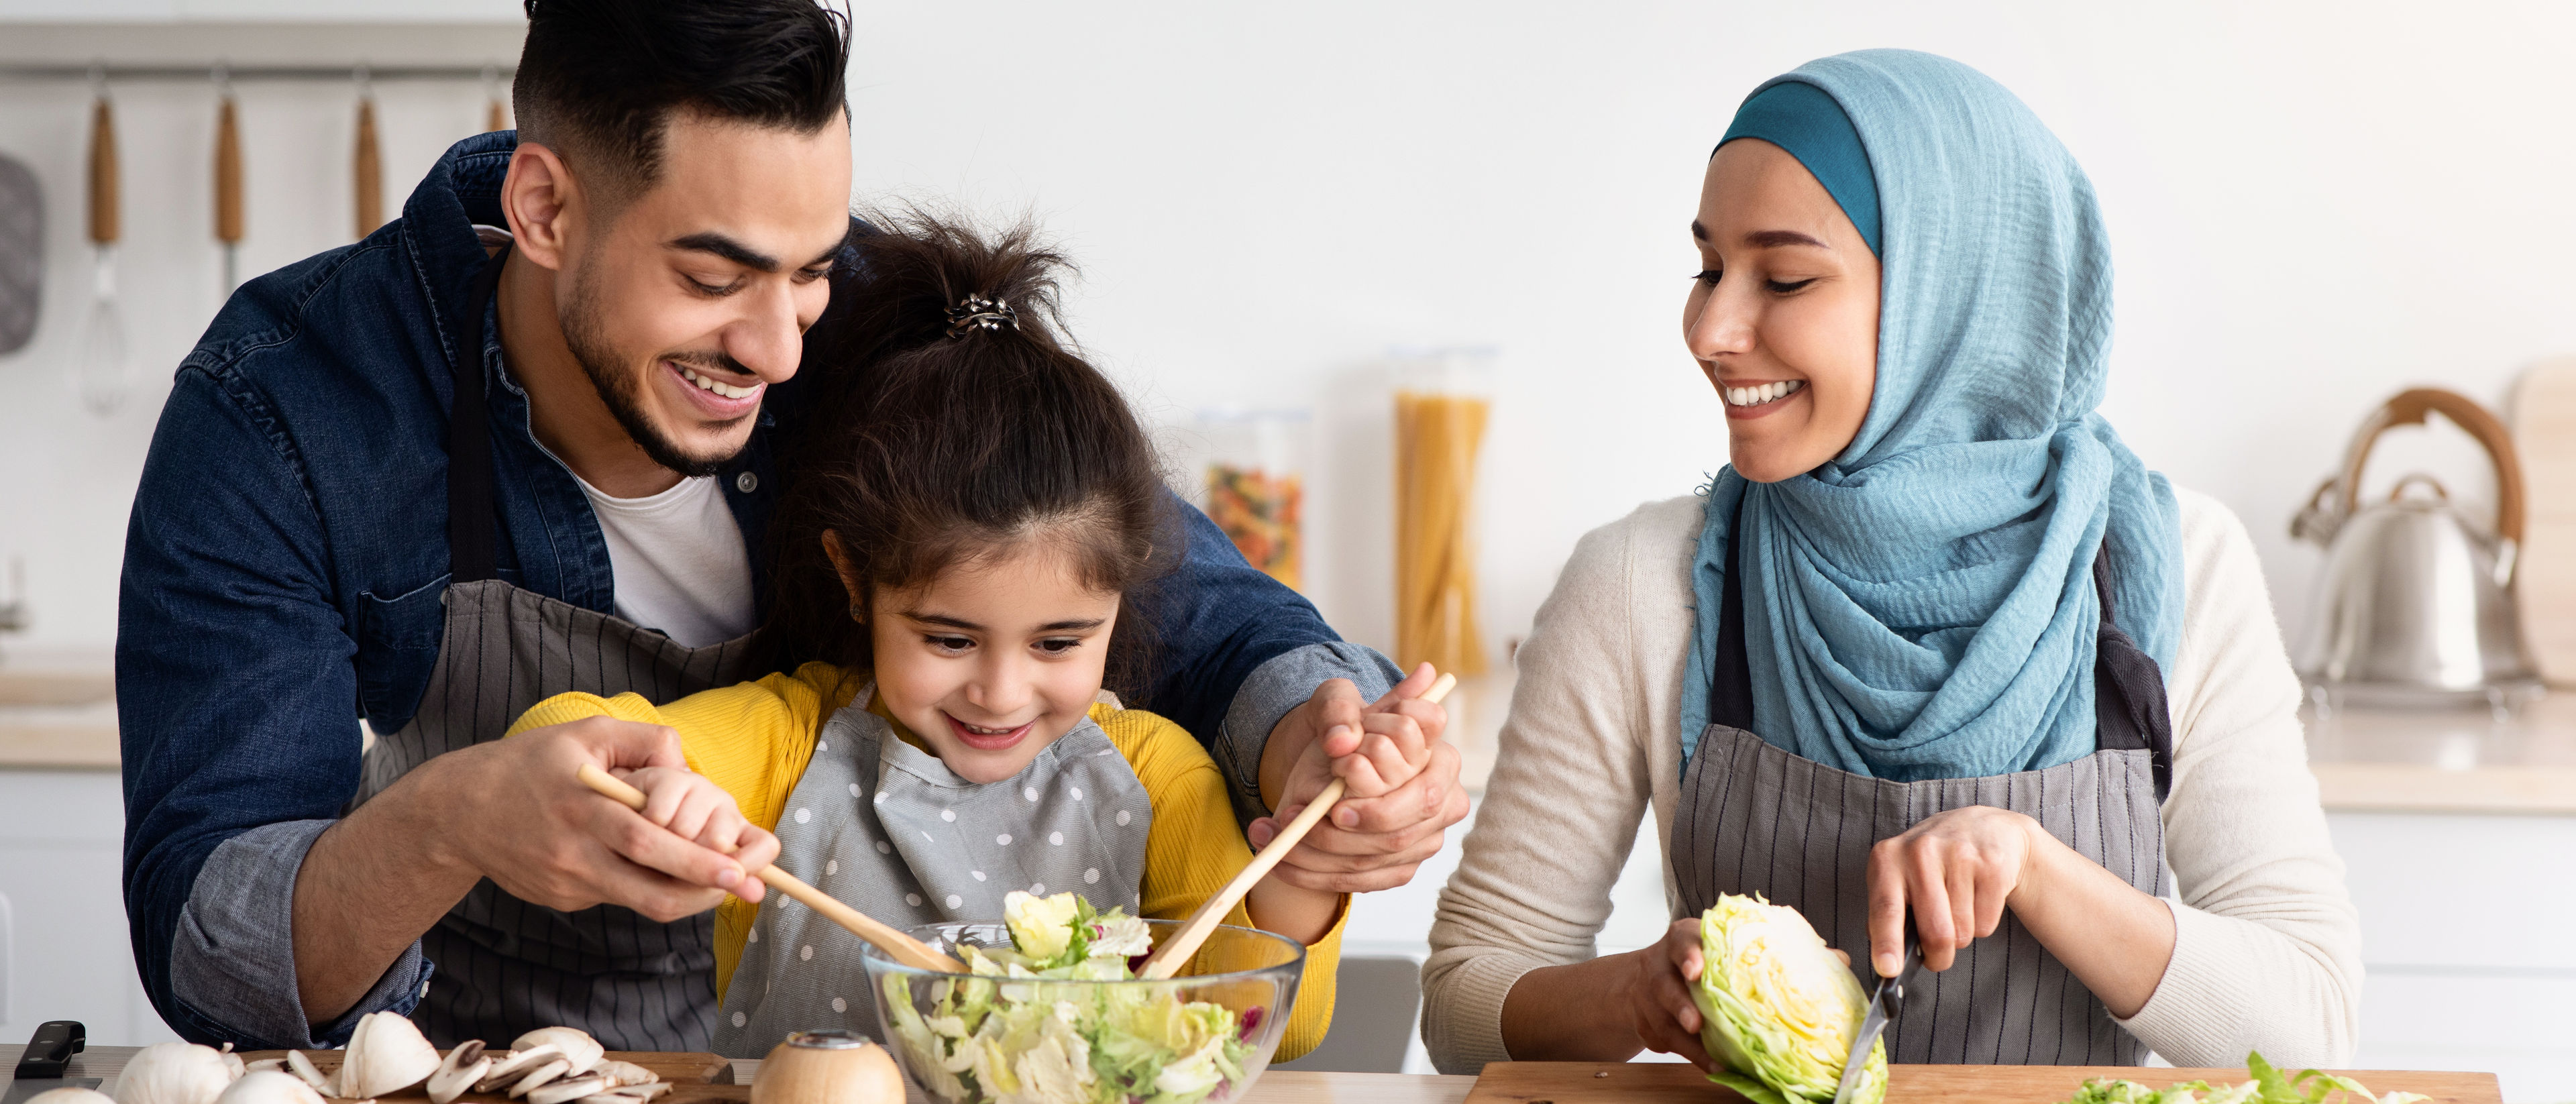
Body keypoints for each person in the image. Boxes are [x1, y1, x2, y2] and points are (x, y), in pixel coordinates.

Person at [118, 0, 1462, 1052]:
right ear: (543, 208)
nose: (774, 346)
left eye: (812, 273)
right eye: (713, 278)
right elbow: (203, 943)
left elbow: (1183, 598)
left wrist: (1327, 750)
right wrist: (454, 821)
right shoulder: (292, 402)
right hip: (493, 1061)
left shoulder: (892, 333)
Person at [1421, 50, 2360, 1073]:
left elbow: (2309, 1021)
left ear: (1950, 299)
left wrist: (2036, 868)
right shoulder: (1640, 587)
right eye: (1707, 268)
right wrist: (1633, 993)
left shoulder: (2174, 568)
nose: (1711, 328)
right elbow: (1467, 997)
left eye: (1782, 276)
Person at [504, 213, 1432, 1058]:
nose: (1000, 690)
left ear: (1124, 600)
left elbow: (1281, 1018)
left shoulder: (1156, 773)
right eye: (949, 640)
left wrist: (1318, 851)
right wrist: (655, 790)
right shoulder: (788, 737)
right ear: (856, 583)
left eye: (1059, 643)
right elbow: (564, 733)